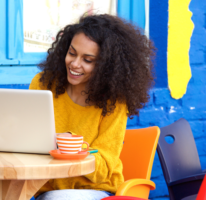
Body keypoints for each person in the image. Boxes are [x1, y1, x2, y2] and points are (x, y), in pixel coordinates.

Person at [29, 14, 155, 200]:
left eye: (87, 60)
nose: (75, 64)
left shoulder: (114, 101)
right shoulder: (43, 84)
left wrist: (72, 147)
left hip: (98, 190)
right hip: (46, 189)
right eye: (72, 53)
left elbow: (103, 168)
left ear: (106, 66)